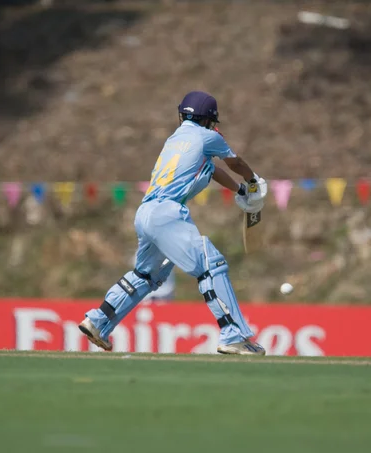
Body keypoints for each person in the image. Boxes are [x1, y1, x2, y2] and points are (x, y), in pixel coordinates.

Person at [79, 91, 268, 355]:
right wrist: (253, 182)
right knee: (211, 265)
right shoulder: (208, 137)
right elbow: (235, 162)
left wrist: (239, 191)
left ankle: (98, 321)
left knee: (147, 275)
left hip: (145, 213)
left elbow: (213, 171)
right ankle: (234, 335)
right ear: (209, 119)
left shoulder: (176, 140)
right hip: (167, 213)